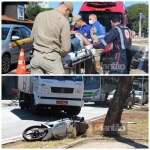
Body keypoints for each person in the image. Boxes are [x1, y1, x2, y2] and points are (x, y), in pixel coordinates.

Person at [30, 2, 73, 74]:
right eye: (69, 13)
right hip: (52, 58)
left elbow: (32, 38)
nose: (68, 15)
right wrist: (61, 55)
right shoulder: (64, 21)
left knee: (36, 83)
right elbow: (66, 48)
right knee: (61, 82)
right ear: (67, 9)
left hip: (36, 57)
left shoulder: (40, 15)